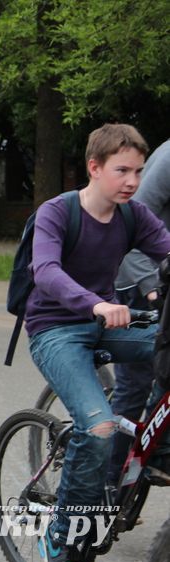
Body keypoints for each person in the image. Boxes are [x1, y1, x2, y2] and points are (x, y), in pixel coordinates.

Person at [25, 125, 170, 562]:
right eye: (121, 170)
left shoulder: (134, 215)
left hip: (105, 322)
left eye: (138, 172)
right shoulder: (58, 212)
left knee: (165, 345)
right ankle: (64, 533)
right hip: (55, 330)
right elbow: (45, 271)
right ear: (95, 167)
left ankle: (156, 449)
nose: (131, 181)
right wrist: (95, 303)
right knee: (100, 426)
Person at [111, 138, 170, 485]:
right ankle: (105, 488)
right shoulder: (167, 161)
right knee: (135, 384)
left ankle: (155, 447)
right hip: (139, 277)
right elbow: (126, 224)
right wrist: (152, 288)